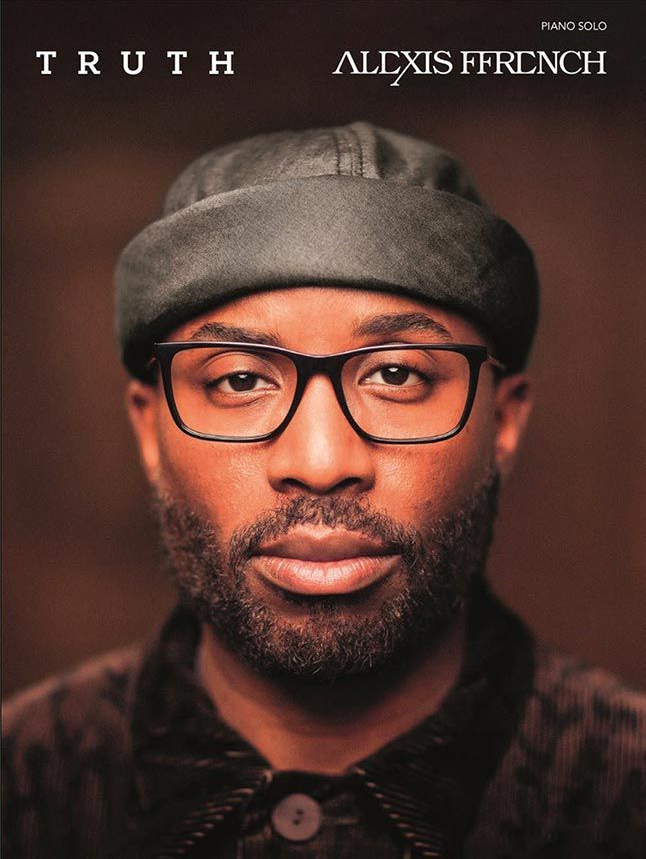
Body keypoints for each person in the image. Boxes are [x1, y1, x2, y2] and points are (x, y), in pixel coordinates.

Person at [3, 122, 644, 859]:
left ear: (502, 420)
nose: (319, 461)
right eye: (239, 379)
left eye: (396, 375)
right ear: (150, 431)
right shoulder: (22, 784)